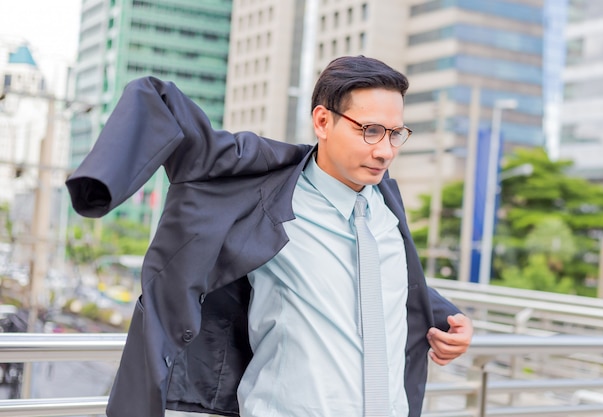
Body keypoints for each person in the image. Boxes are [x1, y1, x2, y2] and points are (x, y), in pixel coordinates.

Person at [66, 55, 473, 417]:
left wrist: (445, 318)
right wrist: (100, 185)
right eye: (370, 131)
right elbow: (160, 104)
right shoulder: (272, 202)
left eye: (395, 133)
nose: (385, 151)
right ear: (322, 121)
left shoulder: (386, 208)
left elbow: (379, 280)